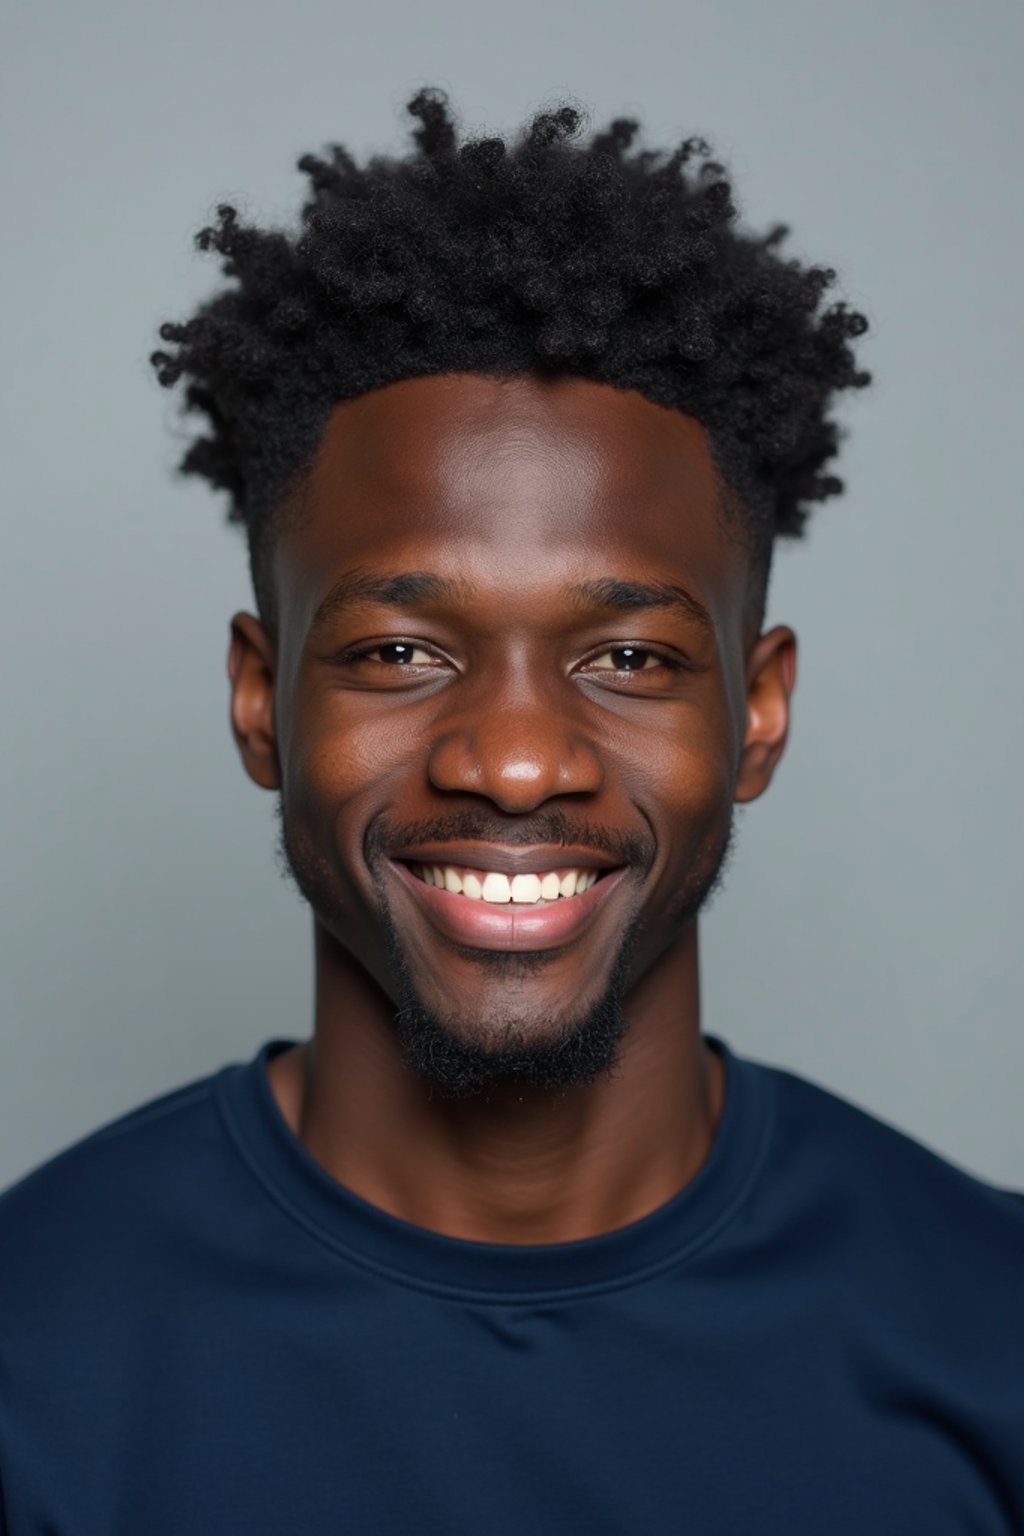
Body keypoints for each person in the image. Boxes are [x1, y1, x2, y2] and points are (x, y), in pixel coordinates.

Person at [1, 89, 1020, 1534]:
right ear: (257, 700)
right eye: (401, 653)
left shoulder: (992, 1341)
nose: (520, 764)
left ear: (760, 711)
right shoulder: (30, 1367)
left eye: (630, 659)